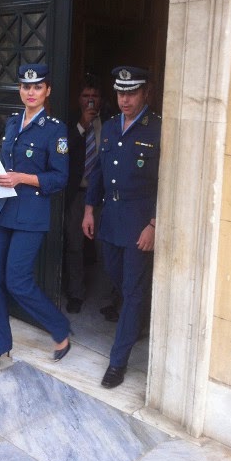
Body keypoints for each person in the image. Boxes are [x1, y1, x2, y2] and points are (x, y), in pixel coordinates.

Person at [0, 64, 71, 368]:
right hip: (2, 210)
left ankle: (59, 327)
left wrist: (21, 178)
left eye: (38, 87)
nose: (31, 92)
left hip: (31, 215)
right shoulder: (13, 122)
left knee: (17, 280)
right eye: (26, 87)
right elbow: (5, 164)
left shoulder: (55, 129)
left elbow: (60, 178)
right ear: (20, 90)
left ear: (47, 91)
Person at [82, 66, 161, 389]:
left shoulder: (157, 129)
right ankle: (139, 316)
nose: (125, 100)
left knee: (132, 291)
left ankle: (118, 362)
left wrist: (154, 223)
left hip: (140, 222)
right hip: (111, 218)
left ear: (145, 93)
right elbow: (98, 171)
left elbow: (167, 183)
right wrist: (89, 209)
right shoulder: (112, 126)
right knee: (116, 276)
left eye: (131, 93)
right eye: (120, 93)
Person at [64, 74, 119, 320]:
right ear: (79, 99)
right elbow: (62, 150)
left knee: (106, 248)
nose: (90, 101)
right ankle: (75, 293)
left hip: (103, 195)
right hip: (77, 194)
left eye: (94, 96)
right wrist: (81, 126)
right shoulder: (69, 122)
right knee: (74, 245)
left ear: (101, 99)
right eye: (85, 96)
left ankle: (109, 300)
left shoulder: (111, 122)